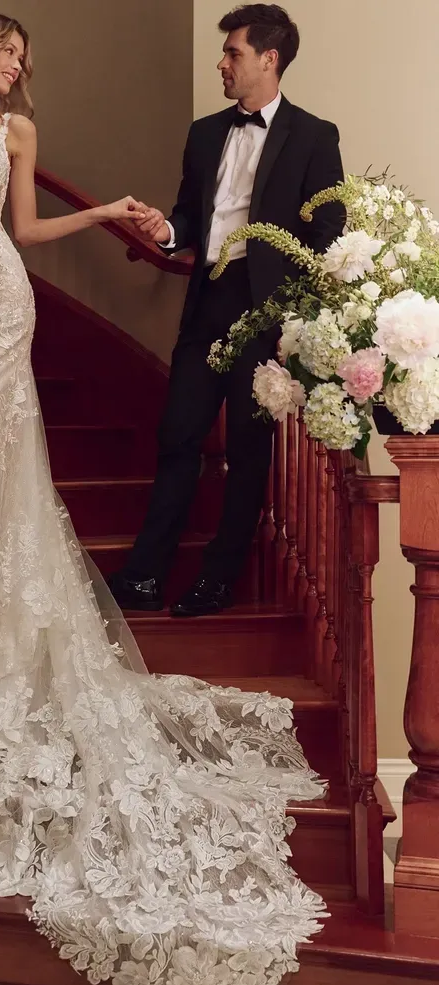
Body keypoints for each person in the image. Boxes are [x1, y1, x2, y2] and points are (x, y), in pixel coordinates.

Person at [0, 11, 328, 985]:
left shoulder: (18, 132)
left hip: (1, 298)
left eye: (25, 58)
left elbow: (20, 229)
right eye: (9, 53)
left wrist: (94, 217)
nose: (20, 68)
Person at [111, 3, 346, 618]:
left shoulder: (314, 135)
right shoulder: (204, 132)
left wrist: (291, 313)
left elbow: (328, 230)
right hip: (208, 299)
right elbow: (190, 216)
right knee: (177, 435)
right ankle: (145, 575)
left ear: (269, 59)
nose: (222, 63)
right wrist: (166, 231)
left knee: (247, 447)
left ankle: (219, 579)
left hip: (264, 311)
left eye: (232, 52)